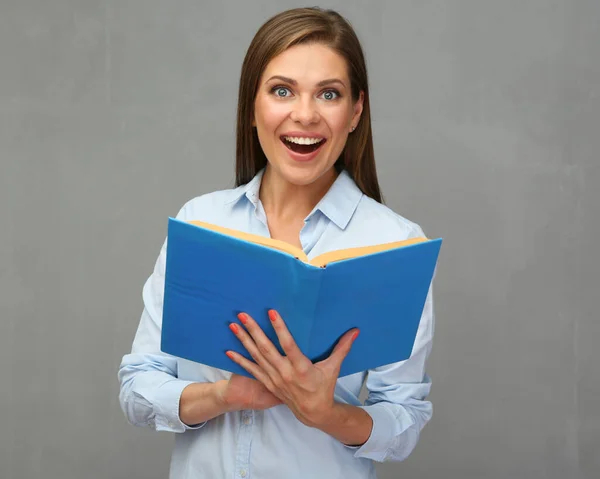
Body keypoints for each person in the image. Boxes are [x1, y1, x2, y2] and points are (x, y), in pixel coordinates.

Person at [118, 7, 435, 479]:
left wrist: (323, 412)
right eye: (281, 90)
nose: (304, 114)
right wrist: (225, 396)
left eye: (329, 94)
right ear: (252, 106)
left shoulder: (395, 244)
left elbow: (404, 421)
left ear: (355, 112)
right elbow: (137, 387)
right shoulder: (200, 222)